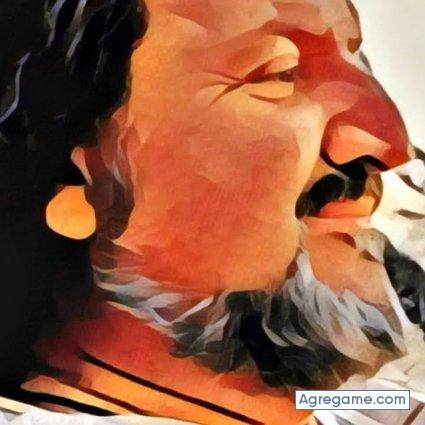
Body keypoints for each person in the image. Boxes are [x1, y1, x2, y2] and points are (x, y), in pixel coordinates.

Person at [5, 0, 425, 424]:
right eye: (277, 73)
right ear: (78, 188)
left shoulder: (366, 407)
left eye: (358, 62)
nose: (392, 142)